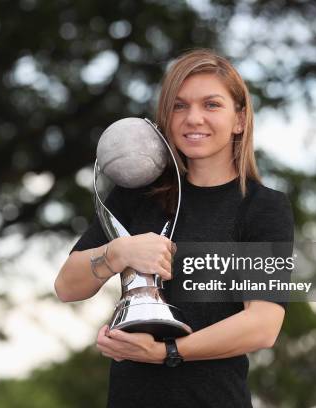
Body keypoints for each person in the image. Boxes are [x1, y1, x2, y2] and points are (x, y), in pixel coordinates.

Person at [54, 49, 294, 408]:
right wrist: (117, 252)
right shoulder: (136, 194)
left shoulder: (262, 207)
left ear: (240, 119)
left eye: (211, 104)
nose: (193, 118)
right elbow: (66, 286)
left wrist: (166, 351)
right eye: (179, 106)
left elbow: (262, 324)